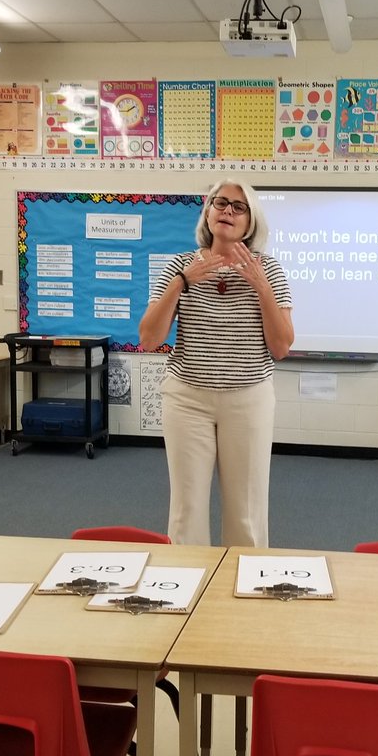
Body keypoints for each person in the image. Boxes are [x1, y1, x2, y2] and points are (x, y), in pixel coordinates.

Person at [139, 179, 294, 547]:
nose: (227, 211)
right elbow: (149, 338)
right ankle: (187, 588)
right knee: (186, 509)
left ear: (250, 222)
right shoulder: (179, 266)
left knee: (246, 512)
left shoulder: (268, 269)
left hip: (248, 398)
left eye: (238, 207)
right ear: (207, 213)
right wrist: (182, 282)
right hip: (187, 399)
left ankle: (243, 593)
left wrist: (262, 288)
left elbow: (282, 346)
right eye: (220, 203)